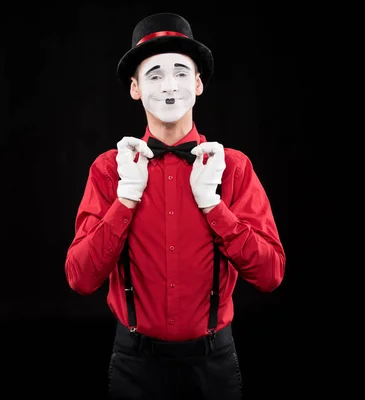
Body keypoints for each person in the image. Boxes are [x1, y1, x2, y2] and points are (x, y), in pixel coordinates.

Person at [64, 12, 285, 400]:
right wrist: (125, 200)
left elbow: (270, 274)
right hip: (135, 365)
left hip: (213, 366)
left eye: (182, 73)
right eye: (154, 75)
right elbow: (80, 278)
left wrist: (214, 207)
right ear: (135, 88)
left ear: (198, 84)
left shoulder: (234, 168)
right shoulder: (108, 170)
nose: (169, 86)